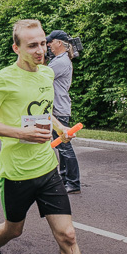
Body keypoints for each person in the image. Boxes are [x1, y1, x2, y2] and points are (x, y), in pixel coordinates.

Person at [0, 19, 82, 254]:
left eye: (43, 43)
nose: (40, 50)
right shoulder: (2, 79)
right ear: (16, 48)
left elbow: (44, 110)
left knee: (68, 235)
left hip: (47, 168)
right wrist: (22, 133)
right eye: (32, 45)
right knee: (14, 230)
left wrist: (60, 127)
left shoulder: (47, 73)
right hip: (16, 174)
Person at [47, 30, 81, 194]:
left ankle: (73, 183)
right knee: (61, 146)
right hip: (60, 108)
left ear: (59, 43)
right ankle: (65, 179)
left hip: (58, 110)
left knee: (65, 147)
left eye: (50, 42)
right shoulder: (60, 60)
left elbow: (42, 76)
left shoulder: (60, 62)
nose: (48, 45)